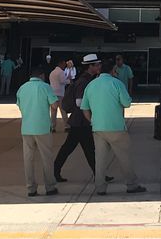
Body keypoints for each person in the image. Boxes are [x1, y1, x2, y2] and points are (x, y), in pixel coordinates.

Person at [79, 58, 147, 196]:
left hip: (98, 128)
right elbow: (126, 103)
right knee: (124, 157)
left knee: (100, 159)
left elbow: (84, 107)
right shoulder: (117, 83)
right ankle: (131, 184)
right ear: (113, 70)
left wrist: (92, 121)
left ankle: (100, 187)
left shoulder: (91, 85)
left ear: (100, 70)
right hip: (116, 127)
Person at [54, 54, 111, 184]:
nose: (99, 67)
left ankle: (99, 174)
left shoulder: (88, 79)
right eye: (97, 65)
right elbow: (79, 102)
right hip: (80, 121)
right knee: (77, 149)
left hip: (80, 121)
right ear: (90, 66)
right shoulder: (84, 81)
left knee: (84, 149)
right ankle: (55, 171)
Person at [15, 65, 59, 196]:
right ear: (41, 76)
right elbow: (54, 105)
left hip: (26, 128)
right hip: (42, 127)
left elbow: (19, 105)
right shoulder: (45, 87)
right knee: (46, 158)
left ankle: (31, 188)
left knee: (28, 159)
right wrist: (53, 120)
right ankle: (49, 187)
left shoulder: (22, 88)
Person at [48, 58, 69, 132]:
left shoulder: (52, 72)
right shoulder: (61, 72)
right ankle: (66, 126)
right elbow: (63, 81)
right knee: (63, 110)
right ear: (61, 63)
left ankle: (52, 127)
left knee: (53, 111)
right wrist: (69, 81)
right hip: (60, 93)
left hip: (53, 93)